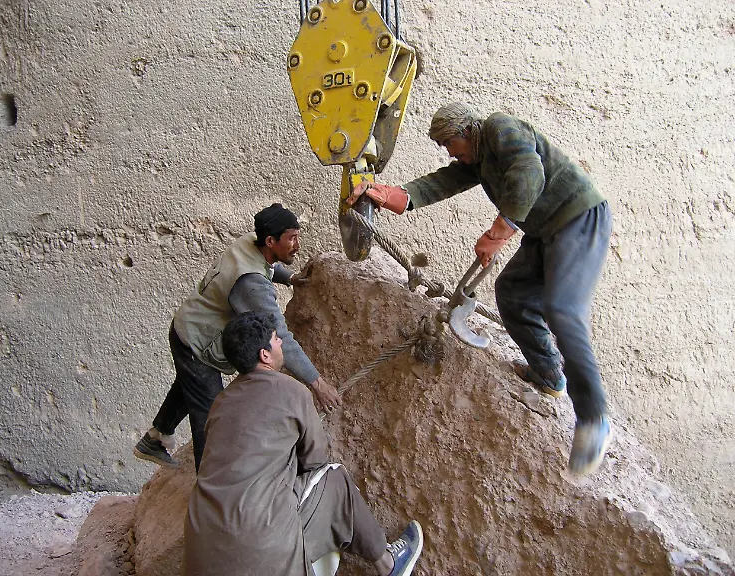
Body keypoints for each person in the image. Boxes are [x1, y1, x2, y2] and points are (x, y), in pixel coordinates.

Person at [348, 103, 613, 475]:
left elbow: (529, 172)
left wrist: (498, 231)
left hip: (577, 219)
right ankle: (549, 374)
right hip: (544, 232)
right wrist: (391, 195)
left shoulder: (499, 128)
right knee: (513, 294)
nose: (449, 153)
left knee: (562, 309)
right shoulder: (478, 159)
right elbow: (442, 182)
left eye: (449, 144)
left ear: (466, 132)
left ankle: (594, 418)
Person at [182, 311, 423, 576]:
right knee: (335, 479)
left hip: (200, 552)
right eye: (276, 339)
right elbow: (315, 461)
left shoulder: (220, 403)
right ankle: (389, 564)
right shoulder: (292, 391)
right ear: (264, 355)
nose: (281, 343)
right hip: (259, 543)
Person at [134, 203, 341, 472]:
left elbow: (266, 267)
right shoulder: (251, 285)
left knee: (190, 387)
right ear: (270, 241)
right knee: (211, 418)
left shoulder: (251, 242)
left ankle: (155, 438)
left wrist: (289, 278)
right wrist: (318, 383)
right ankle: (210, 484)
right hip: (197, 342)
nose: (297, 245)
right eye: (291, 238)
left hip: (187, 326)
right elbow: (280, 336)